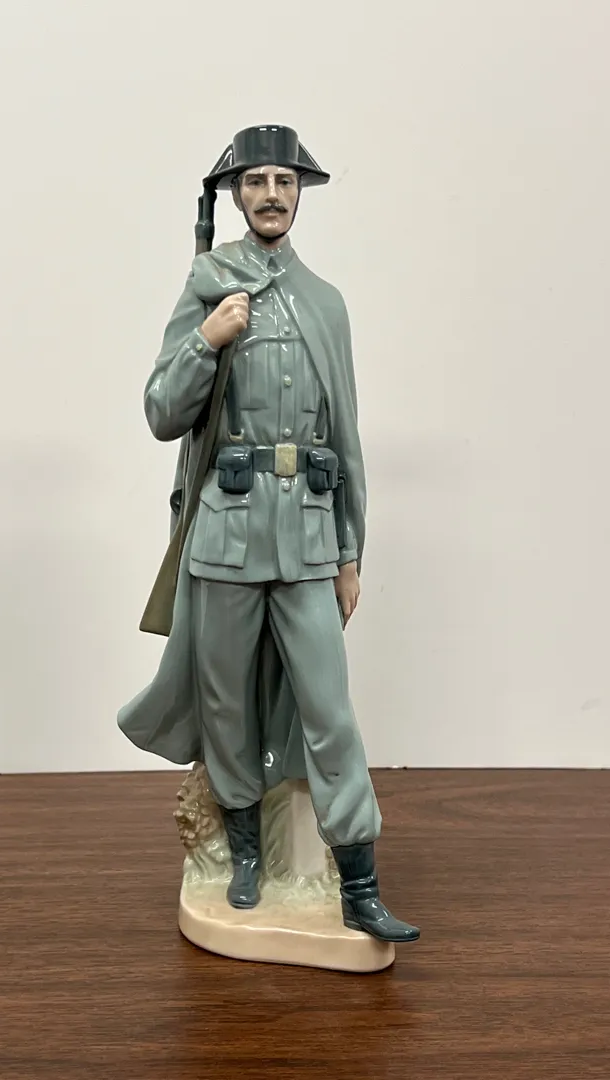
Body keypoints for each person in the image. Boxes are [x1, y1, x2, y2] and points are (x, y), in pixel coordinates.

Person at [118, 125, 419, 943]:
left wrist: (350, 552)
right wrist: (207, 340)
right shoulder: (208, 284)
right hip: (226, 534)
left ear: (300, 193)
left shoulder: (326, 302)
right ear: (236, 195)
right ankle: (245, 852)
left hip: (309, 538)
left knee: (330, 709)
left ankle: (359, 884)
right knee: (226, 705)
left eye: (284, 181)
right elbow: (161, 412)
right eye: (255, 182)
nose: (271, 195)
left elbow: (345, 437)